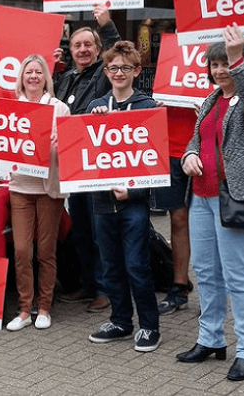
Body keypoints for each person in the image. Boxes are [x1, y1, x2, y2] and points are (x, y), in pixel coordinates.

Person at [177, 24, 244, 382]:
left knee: (238, 276)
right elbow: (196, 138)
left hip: (235, 198)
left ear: (242, 62)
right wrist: (188, 155)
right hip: (202, 197)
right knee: (206, 272)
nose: (219, 70)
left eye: (226, 63)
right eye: (215, 64)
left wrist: (238, 59)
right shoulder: (210, 99)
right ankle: (211, 339)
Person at [86, 41, 161, 353]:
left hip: (134, 203)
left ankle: (149, 326)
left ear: (137, 71)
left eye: (125, 68)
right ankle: (120, 320)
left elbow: (155, 161)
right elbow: (85, 152)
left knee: (136, 266)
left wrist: (135, 191)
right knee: (111, 265)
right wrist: (93, 121)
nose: (119, 73)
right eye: (113, 68)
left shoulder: (149, 107)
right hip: (102, 203)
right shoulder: (96, 106)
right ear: (106, 71)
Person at [52, 4, 120, 313]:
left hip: (96, 166)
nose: (82, 49)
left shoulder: (104, 74)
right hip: (71, 166)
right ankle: (87, 285)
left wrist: (106, 25)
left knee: (98, 231)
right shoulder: (66, 78)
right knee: (80, 230)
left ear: (97, 49)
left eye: (88, 45)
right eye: (77, 45)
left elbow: (118, 51)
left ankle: (105, 290)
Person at [5, 55, 70, 332]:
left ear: (46, 78)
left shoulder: (60, 109)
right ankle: (23, 309)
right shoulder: (10, 108)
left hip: (49, 189)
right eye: (28, 72)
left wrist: (59, 143)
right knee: (21, 250)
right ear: (21, 77)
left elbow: (70, 150)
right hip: (20, 187)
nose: (33, 76)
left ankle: (44, 307)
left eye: (38, 72)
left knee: (45, 251)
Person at [153, 106, 197, 314]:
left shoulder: (217, 73)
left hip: (203, 149)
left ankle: (213, 292)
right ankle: (179, 287)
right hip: (169, 148)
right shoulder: (163, 73)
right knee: (178, 219)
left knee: (209, 223)